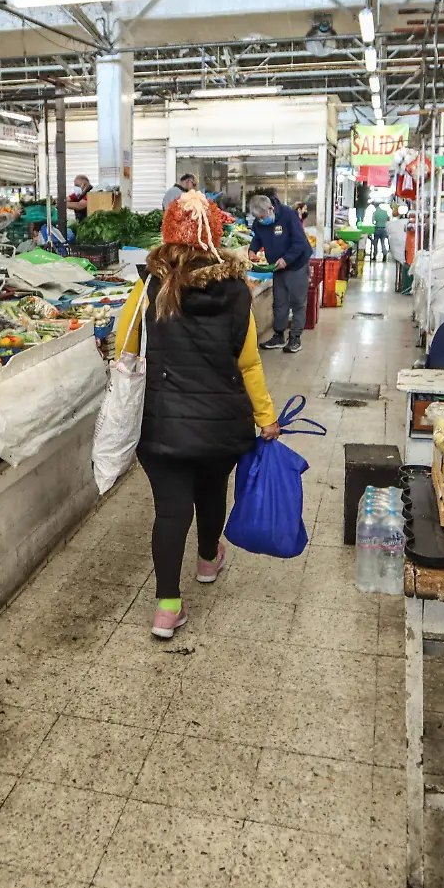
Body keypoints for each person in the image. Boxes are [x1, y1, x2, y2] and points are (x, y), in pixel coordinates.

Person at [111, 192, 278, 639]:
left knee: (170, 511)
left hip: (161, 423)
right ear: (215, 239)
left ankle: (167, 608)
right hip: (221, 422)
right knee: (210, 489)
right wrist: (266, 417)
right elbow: (249, 363)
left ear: (167, 235)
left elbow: (124, 348)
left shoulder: (149, 287)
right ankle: (208, 560)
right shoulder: (237, 291)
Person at [247, 191, 313, 353]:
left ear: (271, 209)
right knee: (279, 302)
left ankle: (295, 338)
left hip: (296, 264)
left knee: (297, 302)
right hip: (276, 267)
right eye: (258, 219)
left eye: (263, 217)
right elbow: (257, 238)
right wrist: (252, 250)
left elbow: (300, 243)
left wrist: (286, 260)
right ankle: (278, 336)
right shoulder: (259, 221)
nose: (261, 221)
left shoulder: (288, 216)